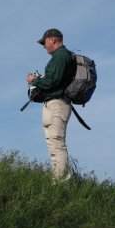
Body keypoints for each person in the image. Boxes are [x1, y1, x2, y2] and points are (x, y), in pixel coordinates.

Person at [26, 28, 76, 181]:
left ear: (53, 40)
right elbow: (54, 80)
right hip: (55, 103)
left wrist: (34, 80)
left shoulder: (61, 55)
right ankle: (57, 179)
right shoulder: (62, 56)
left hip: (58, 104)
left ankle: (61, 182)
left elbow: (52, 81)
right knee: (53, 144)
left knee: (56, 143)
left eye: (44, 42)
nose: (43, 46)